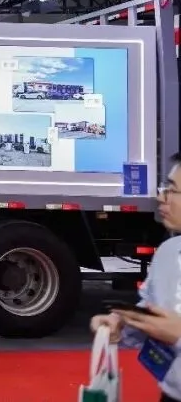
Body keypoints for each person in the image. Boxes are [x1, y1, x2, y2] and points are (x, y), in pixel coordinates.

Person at [90, 152, 181, 401]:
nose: (161, 197)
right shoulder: (167, 252)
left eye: (172, 190)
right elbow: (151, 309)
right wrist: (121, 323)